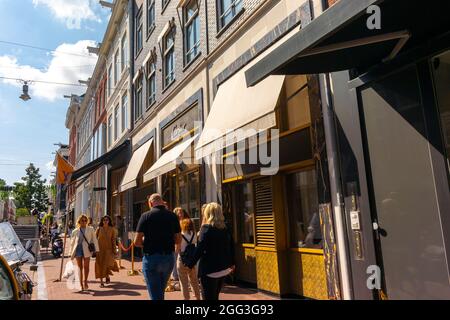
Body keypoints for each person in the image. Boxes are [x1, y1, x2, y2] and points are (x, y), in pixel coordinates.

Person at [134, 194, 181, 300]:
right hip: (168, 257)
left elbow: (136, 241)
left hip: (151, 257)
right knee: (159, 291)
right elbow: (178, 239)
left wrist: (146, 243)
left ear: (150, 203)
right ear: (162, 202)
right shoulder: (172, 216)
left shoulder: (145, 216)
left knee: (156, 294)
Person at [186, 203, 235, 300]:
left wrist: (190, 265)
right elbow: (231, 246)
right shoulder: (226, 228)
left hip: (210, 270)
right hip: (224, 268)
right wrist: (232, 262)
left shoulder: (206, 228)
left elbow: (200, 248)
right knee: (215, 295)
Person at [69, 214, 99, 291]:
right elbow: (72, 242)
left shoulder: (91, 229)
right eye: (82, 220)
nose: (84, 222)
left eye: (85, 220)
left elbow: (94, 239)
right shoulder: (75, 231)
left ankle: (85, 281)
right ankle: (81, 284)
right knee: (80, 267)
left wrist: (97, 250)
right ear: (79, 221)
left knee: (86, 267)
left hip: (87, 249)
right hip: (78, 249)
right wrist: (70, 252)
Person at [177, 218, 201, 300]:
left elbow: (177, 249)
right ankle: (198, 297)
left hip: (182, 260)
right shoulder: (194, 234)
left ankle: (186, 299)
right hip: (192, 260)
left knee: (183, 282)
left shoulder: (180, 235)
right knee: (194, 281)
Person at [95, 215, 119, 288]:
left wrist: (114, 250)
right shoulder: (99, 229)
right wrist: (95, 249)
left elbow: (113, 240)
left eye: (107, 220)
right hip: (99, 250)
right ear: (102, 221)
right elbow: (95, 239)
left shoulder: (112, 229)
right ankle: (101, 282)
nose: (105, 221)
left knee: (107, 264)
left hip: (109, 250)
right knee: (100, 265)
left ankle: (107, 276)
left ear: (109, 221)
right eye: (104, 220)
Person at [171, 208, 191, 283]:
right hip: (176, 243)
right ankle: (175, 275)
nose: (180, 214)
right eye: (178, 213)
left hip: (184, 244)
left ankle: (183, 276)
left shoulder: (186, 222)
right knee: (175, 259)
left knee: (183, 260)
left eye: (181, 212)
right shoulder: (174, 222)